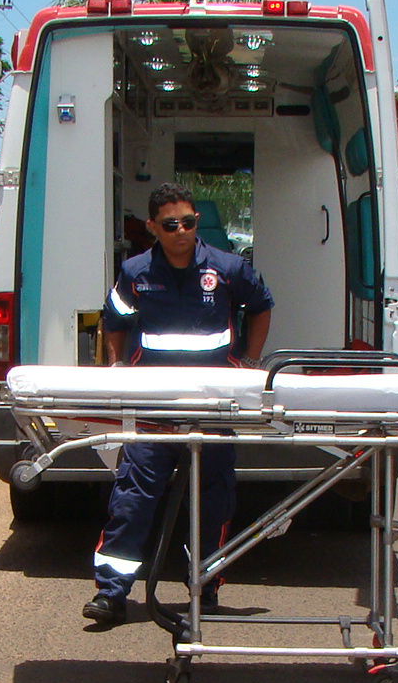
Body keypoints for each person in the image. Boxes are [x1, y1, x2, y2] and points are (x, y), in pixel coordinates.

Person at [82, 183, 274, 625]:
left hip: (214, 406)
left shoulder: (228, 268)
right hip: (154, 406)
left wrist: (250, 360)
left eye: (190, 222)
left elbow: (262, 305)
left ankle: (204, 588)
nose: (183, 231)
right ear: (152, 227)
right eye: (171, 225)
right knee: (133, 498)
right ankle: (112, 594)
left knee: (212, 501)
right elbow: (114, 319)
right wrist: (116, 365)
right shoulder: (134, 272)